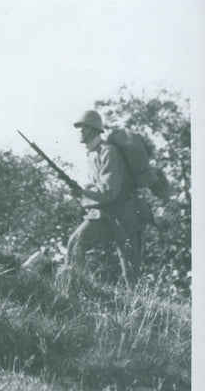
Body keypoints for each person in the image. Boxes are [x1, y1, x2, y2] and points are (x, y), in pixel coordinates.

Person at [63, 110, 152, 288]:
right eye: (79, 128)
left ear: (94, 130)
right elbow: (99, 189)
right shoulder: (91, 155)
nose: (80, 131)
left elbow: (108, 191)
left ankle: (140, 311)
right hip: (107, 215)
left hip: (127, 216)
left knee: (131, 273)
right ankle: (70, 290)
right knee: (76, 243)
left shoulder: (109, 152)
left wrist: (83, 192)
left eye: (84, 128)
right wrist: (81, 191)